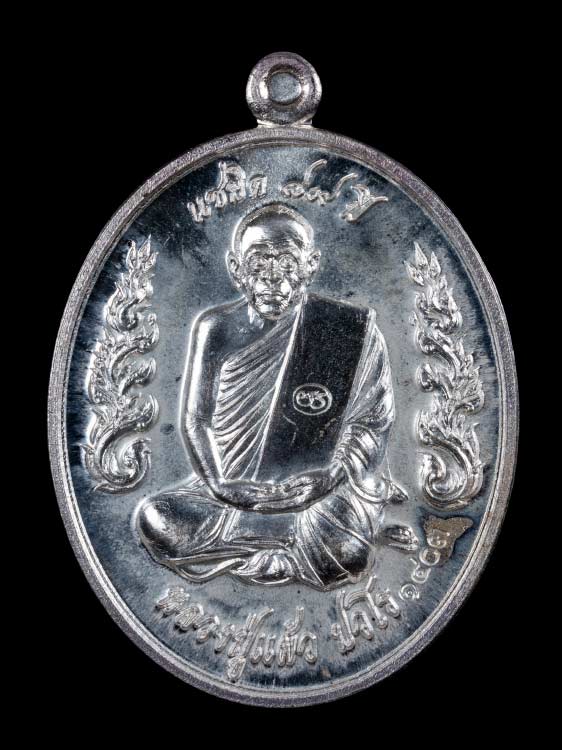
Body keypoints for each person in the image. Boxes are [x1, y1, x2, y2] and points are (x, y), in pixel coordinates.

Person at [138, 203, 411, 590]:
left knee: (347, 553)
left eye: (287, 266)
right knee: (156, 518)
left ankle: (260, 544)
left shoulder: (349, 331)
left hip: (316, 493)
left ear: (310, 266)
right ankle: (283, 546)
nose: (273, 281)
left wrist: (330, 478)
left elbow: (371, 424)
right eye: (259, 266)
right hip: (230, 492)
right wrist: (220, 486)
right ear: (236, 269)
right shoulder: (215, 328)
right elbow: (196, 420)